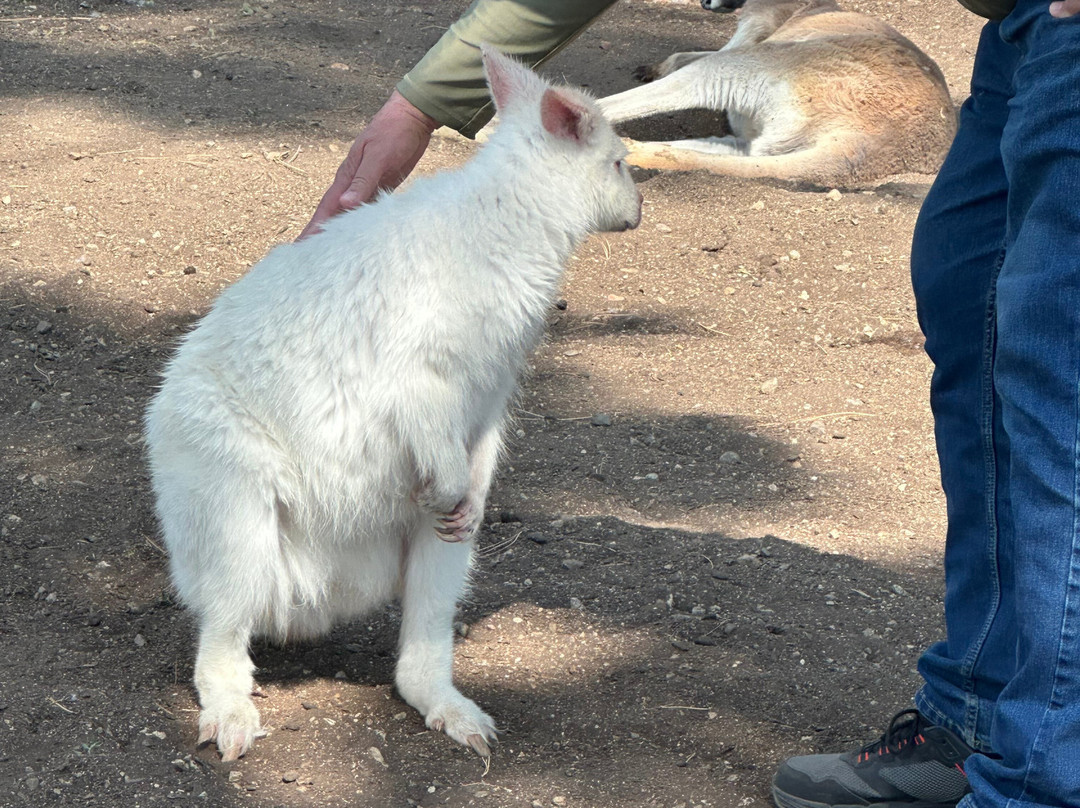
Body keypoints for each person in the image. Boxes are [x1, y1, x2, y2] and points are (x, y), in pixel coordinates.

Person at [301, 2, 1080, 807]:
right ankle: (979, 727)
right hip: (1024, 31)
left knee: (1059, 366)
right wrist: (422, 101)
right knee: (974, 314)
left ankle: (1042, 784)